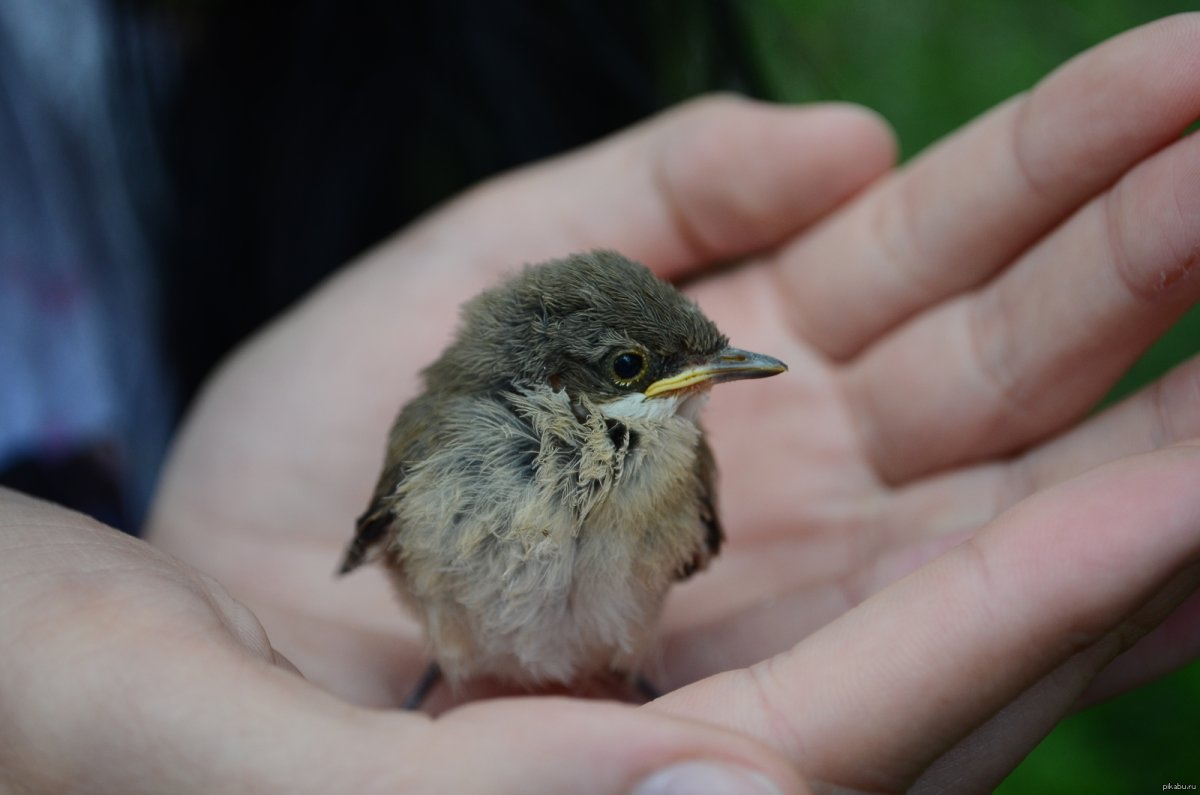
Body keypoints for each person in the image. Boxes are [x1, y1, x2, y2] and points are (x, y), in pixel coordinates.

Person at [2, 13, 1199, 794]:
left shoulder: (678, 470)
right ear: (560, 382)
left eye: (688, 371)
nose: (691, 389)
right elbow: (385, 538)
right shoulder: (445, 442)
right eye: (640, 372)